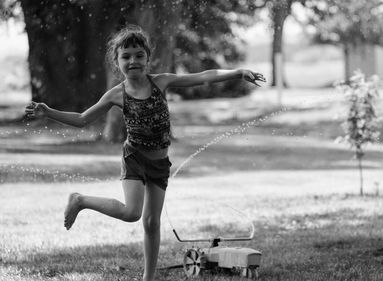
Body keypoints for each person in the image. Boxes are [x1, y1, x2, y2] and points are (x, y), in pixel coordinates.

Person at [24, 25, 266, 281]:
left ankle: (148, 278)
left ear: (148, 58)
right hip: (135, 159)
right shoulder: (116, 94)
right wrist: (49, 112)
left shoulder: (161, 82)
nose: (133, 60)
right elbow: (83, 119)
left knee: (152, 223)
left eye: (139, 55)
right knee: (132, 213)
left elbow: (203, 76)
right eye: (126, 56)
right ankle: (80, 200)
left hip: (160, 163)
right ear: (117, 62)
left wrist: (238, 72)